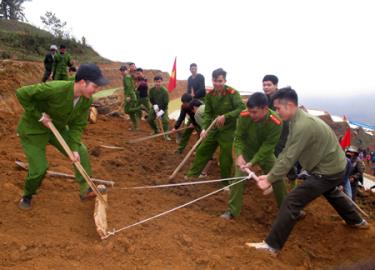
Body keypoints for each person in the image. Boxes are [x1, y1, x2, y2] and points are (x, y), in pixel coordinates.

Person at [248, 88, 369, 254]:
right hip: (334, 167)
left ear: (289, 105)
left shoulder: (302, 125)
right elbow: (286, 151)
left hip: (328, 170)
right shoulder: (296, 121)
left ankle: (272, 246)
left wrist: (270, 179)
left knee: (292, 201)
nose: (276, 112)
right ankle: (357, 221)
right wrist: (271, 175)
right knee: (330, 192)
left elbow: (290, 157)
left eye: (277, 108)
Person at [16, 64, 108, 210]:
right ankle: (27, 195)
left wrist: (73, 148)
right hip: (33, 129)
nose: (96, 90)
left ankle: (86, 188)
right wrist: (38, 116)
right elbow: (21, 93)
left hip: (56, 129)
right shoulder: (55, 89)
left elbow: (78, 125)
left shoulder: (86, 100)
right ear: (83, 82)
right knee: (40, 168)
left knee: (81, 150)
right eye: (95, 86)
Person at [221, 93, 287, 219]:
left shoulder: (276, 122)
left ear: (265, 109)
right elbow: (239, 138)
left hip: (266, 154)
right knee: (237, 179)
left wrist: (253, 162)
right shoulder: (244, 116)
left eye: (255, 112)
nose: (251, 115)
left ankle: (286, 210)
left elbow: (268, 146)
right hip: (247, 151)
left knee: (277, 178)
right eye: (250, 111)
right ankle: (232, 211)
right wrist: (239, 155)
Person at [185, 68, 245, 183]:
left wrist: (226, 116)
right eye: (215, 80)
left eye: (220, 81)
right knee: (202, 150)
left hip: (228, 130)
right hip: (213, 128)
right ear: (212, 80)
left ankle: (225, 183)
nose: (217, 83)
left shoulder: (232, 93)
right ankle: (192, 175)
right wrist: (203, 128)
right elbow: (208, 113)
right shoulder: (210, 95)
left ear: (224, 81)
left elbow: (241, 108)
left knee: (225, 157)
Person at [263, 74, 297, 183]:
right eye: (264, 85)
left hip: (284, 128)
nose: (266, 87)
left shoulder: (281, 98)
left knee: (280, 152)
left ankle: (292, 176)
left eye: (269, 85)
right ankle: (271, 175)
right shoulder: (265, 99)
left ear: (276, 85)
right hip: (272, 128)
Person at [148, 75, 171, 140]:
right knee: (149, 119)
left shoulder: (165, 91)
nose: (157, 83)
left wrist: (160, 113)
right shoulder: (151, 90)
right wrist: (155, 108)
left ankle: (166, 135)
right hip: (155, 107)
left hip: (163, 108)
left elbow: (165, 104)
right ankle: (156, 130)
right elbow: (151, 99)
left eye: (159, 82)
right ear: (154, 82)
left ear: (161, 82)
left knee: (165, 120)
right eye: (156, 82)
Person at [120, 65, 141, 131]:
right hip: (132, 96)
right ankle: (136, 127)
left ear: (126, 70)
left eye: (123, 70)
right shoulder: (128, 77)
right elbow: (133, 86)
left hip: (130, 97)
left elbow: (129, 87)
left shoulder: (126, 77)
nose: (122, 72)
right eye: (121, 71)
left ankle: (140, 108)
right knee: (131, 113)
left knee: (127, 110)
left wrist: (128, 96)